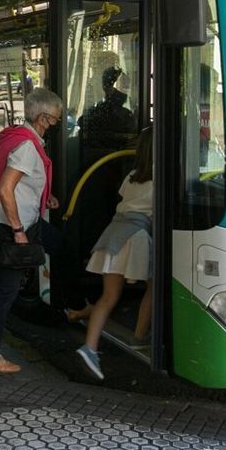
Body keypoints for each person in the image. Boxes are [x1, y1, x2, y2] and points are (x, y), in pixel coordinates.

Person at [0, 88, 63, 375]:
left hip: (27, 220)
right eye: (54, 120)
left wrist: (43, 197)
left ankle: (71, 307)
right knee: (5, 292)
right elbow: (5, 189)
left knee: (63, 247)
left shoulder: (19, 137)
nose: (56, 125)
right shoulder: (26, 146)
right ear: (42, 118)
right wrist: (18, 231)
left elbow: (19, 183)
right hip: (16, 226)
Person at [71, 128, 154, 380]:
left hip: (114, 231)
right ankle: (140, 337)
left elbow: (122, 199)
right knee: (154, 287)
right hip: (137, 236)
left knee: (108, 296)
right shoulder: (164, 177)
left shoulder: (131, 175)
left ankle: (90, 347)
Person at [78, 64, 135, 149]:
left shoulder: (124, 114)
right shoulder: (99, 112)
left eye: (127, 86)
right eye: (124, 86)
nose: (126, 91)